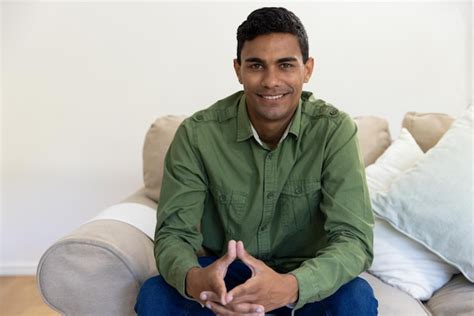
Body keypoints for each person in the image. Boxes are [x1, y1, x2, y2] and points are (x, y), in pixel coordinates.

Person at [135, 7, 378, 316]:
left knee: (355, 300)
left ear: (307, 69)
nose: (271, 81)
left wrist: (289, 287)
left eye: (286, 65)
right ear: (238, 70)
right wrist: (199, 282)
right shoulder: (197, 135)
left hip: (300, 278)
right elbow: (174, 234)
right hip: (226, 281)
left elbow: (353, 239)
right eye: (256, 65)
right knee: (155, 296)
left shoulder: (333, 131)